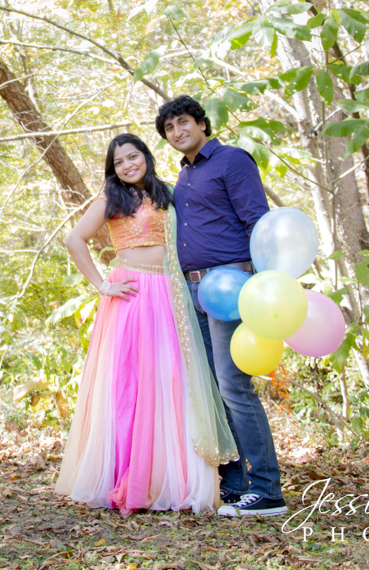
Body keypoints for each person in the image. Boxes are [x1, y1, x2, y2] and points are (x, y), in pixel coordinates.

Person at [54, 133, 237, 516]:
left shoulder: (167, 194)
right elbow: (74, 240)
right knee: (132, 383)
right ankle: (129, 476)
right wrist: (102, 285)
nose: (127, 166)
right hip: (132, 295)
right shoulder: (111, 198)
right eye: (119, 162)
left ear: (146, 157)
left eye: (132, 157)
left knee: (171, 380)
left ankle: (174, 478)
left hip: (170, 294)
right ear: (113, 169)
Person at [156, 95, 287, 518]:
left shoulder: (232, 161)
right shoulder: (185, 175)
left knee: (234, 387)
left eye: (183, 123)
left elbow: (257, 221)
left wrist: (262, 282)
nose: (178, 132)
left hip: (229, 284)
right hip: (193, 291)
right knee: (213, 390)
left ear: (202, 123)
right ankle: (235, 486)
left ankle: (268, 490)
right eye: (170, 129)